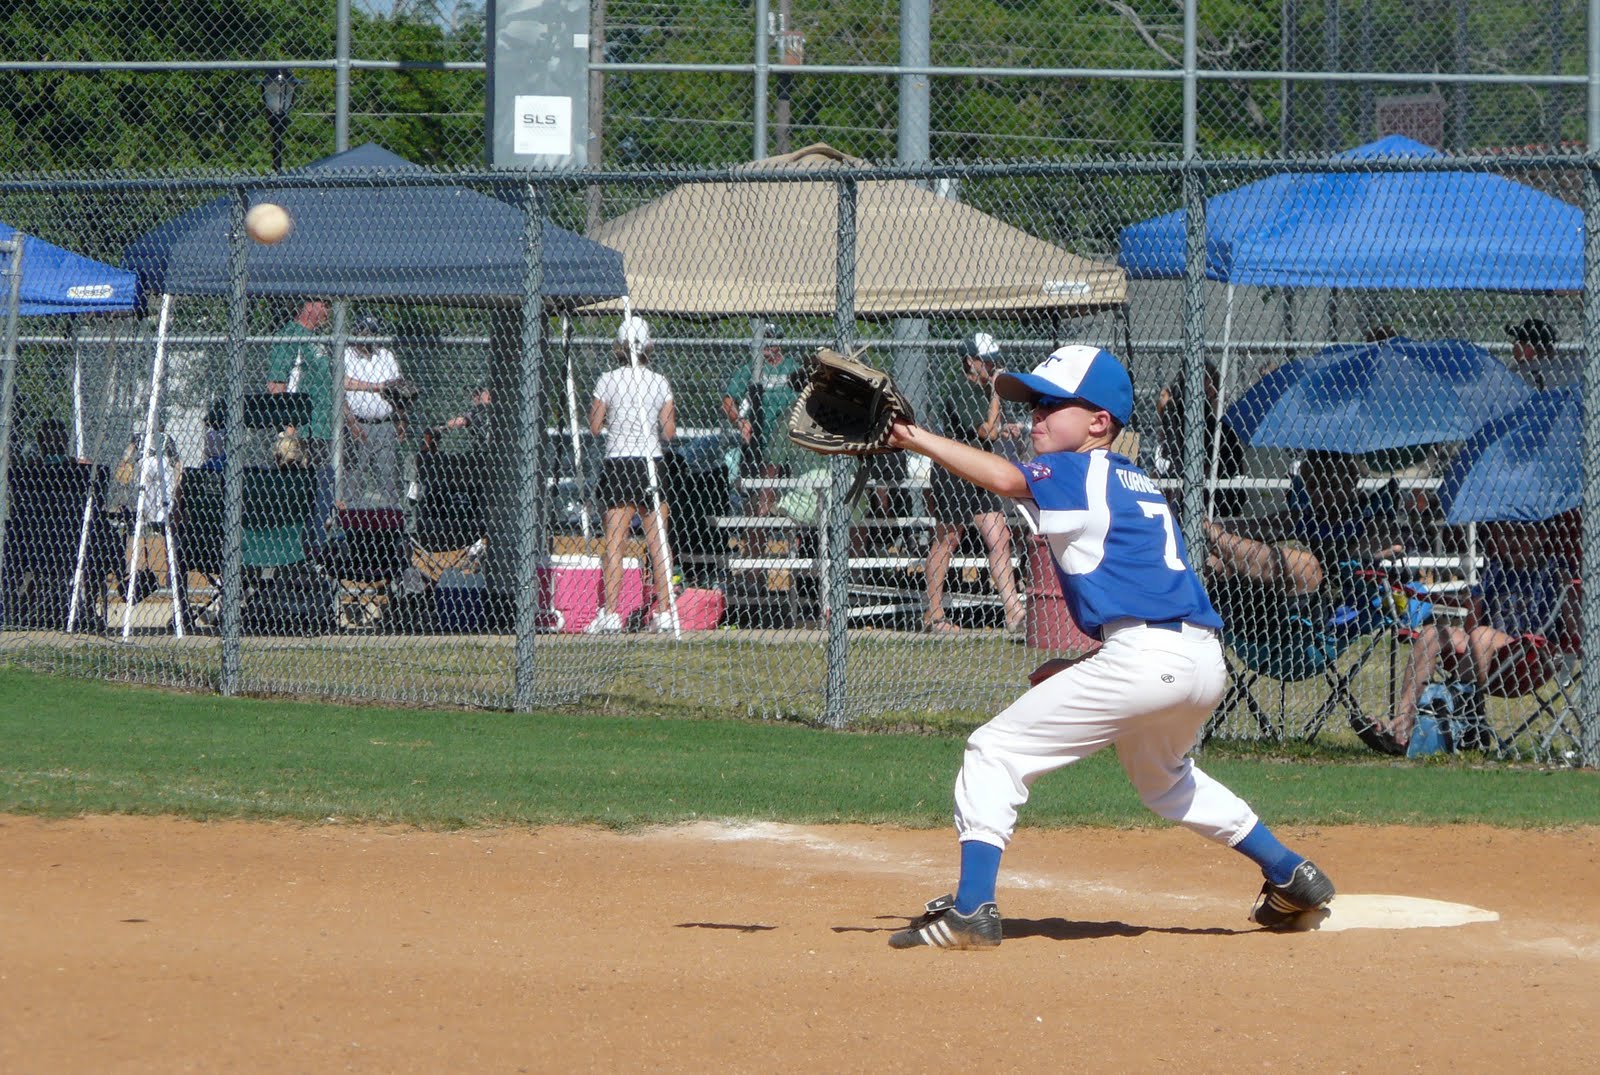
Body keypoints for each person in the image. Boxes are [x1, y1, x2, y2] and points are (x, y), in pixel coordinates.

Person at [882, 343, 1335, 949]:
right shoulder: (1132, 481)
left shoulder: (1081, 468)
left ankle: (970, 910)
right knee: (1165, 782)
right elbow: (1145, 599)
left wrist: (913, 437)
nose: (1037, 415)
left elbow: (1003, 477)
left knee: (994, 752)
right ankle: (1291, 874)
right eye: (1034, 404)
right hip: (1199, 659)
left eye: (1053, 404)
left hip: (1149, 659)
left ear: (1100, 423)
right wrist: (1084, 663)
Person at [1384, 516, 1579, 754]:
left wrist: (1571, 635)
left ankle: (1463, 716)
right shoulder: (1495, 568)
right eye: (1506, 535)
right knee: (1431, 633)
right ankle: (1403, 722)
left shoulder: (1557, 571)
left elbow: (1573, 625)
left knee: (1482, 635)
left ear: (1541, 537)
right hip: (1483, 652)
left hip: (1530, 654)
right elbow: (1471, 624)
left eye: (1520, 534)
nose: (1512, 541)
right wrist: (1472, 604)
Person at [921, 332, 1025, 636]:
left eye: (994, 360)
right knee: (948, 539)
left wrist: (1006, 427)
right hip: (953, 470)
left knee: (999, 536)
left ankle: (1014, 612)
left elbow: (990, 430)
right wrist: (997, 394)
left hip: (979, 471)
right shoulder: (959, 388)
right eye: (987, 361)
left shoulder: (981, 391)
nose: (993, 366)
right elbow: (985, 433)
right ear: (970, 361)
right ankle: (934, 615)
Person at [586, 314, 677, 634]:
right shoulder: (659, 382)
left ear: (620, 347)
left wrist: (617, 422)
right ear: (648, 347)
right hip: (651, 462)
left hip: (619, 462)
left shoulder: (608, 380)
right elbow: (668, 432)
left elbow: (595, 427)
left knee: (615, 540)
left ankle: (611, 613)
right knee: (658, 542)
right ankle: (665, 612)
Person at [721, 323, 804, 517]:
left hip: (791, 448)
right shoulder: (752, 368)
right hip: (758, 444)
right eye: (763, 338)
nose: (767, 343)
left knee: (795, 501)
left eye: (771, 338)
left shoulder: (793, 367)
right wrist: (741, 421)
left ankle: (796, 545)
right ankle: (755, 545)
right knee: (756, 504)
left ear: (779, 342)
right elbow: (728, 401)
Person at [1154, 360, 1246, 519]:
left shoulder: (1220, 421)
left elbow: (1231, 459)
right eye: (1207, 383)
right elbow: (1173, 454)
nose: (1210, 392)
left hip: (1217, 486)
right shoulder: (1175, 411)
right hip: (1185, 478)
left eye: (1213, 388)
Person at [341, 314, 408, 507]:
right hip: (357, 423)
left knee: (389, 480)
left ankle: (393, 524)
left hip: (385, 425)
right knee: (353, 480)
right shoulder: (345, 355)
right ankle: (348, 525)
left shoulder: (385, 355)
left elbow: (398, 389)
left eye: (372, 332)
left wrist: (401, 418)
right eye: (363, 331)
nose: (367, 336)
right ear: (356, 332)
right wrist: (351, 422)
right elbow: (341, 388)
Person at [1506, 317, 1578, 391]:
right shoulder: (1567, 365)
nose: (1513, 344)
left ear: (1533, 347)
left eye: (1519, 342)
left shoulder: (1516, 371)